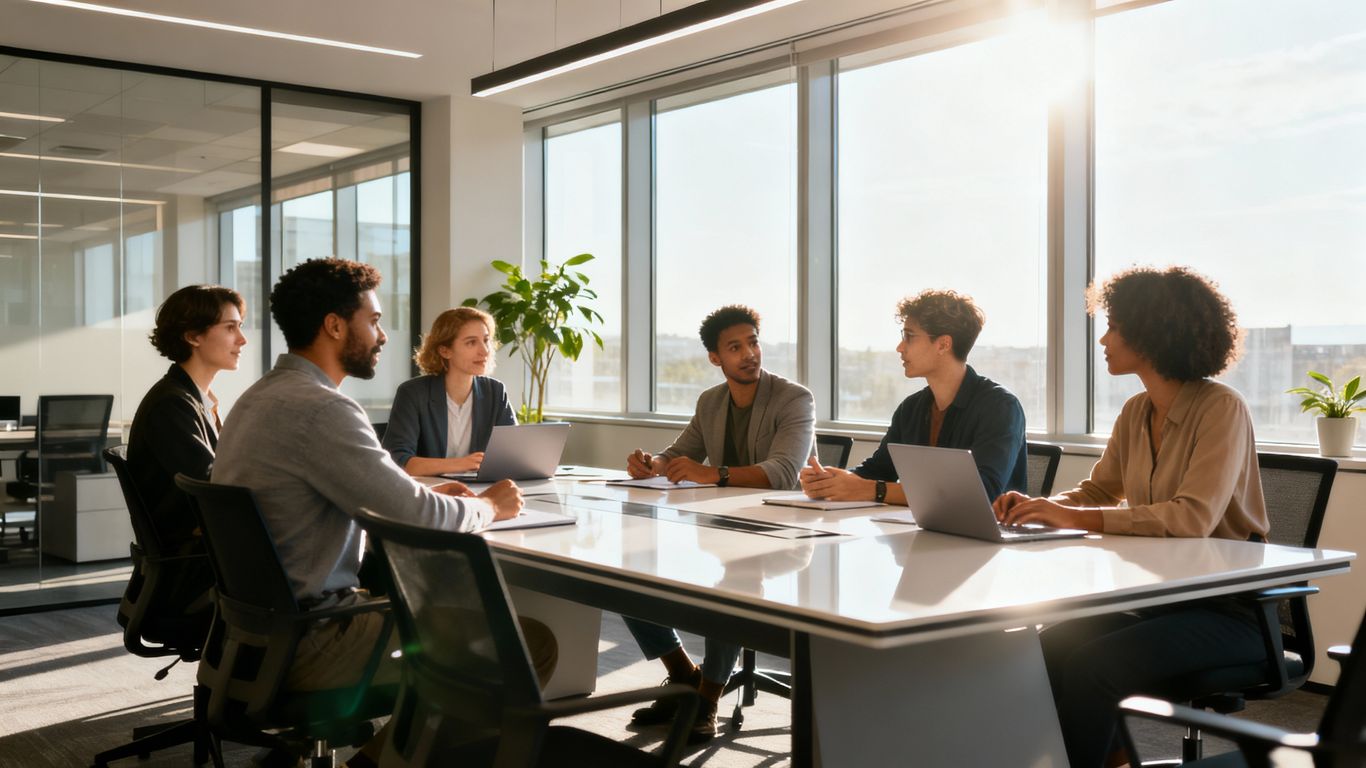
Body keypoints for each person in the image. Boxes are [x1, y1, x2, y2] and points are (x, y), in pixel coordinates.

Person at [212, 258, 556, 768]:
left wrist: (440, 499)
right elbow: (413, 513)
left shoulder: (258, 398)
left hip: (249, 635)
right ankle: (379, 763)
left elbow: (385, 489)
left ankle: (379, 756)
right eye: (373, 320)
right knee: (529, 645)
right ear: (334, 325)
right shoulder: (322, 408)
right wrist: (487, 506)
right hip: (313, 638)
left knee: (438, 610)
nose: (383, 335)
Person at [991, 266, 1269, 768]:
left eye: (1113, 326)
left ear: (1151, 330)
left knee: (1097, 664)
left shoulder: (1221, 408)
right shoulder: (1137, 411)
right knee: (1048, 647)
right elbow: (1100, 490)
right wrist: (1037, 508)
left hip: (1230, 610)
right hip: (1164, 599)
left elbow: (1191, 519)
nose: (1103, 337)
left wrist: (1069, 515)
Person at [623, 304, 815, 742]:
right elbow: (679, 451)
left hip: (784, 535)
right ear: (716, 358)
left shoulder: (793, 398)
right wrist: (652, 462)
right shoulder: (710, 401)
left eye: (753, 342)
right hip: (719, 526)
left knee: (735, 579)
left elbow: (785, 473)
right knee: (625, 567)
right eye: (735, 346)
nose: (750, 353)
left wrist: (713, 473)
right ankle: (684, 674)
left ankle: (708, 699)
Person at [800, 289, 1026, 505]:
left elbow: (980, 492)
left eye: (909, 337)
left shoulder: (1000, 407)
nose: (900, 347)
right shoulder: (911, 408)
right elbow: (879, 470)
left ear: (943, 344)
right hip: (924, 532)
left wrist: (873, 490)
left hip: (990, 540)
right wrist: (831, 482)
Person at [126, 284, 246, 616]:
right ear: (194, 335)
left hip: (203, 555)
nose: (242, 339)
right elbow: (213, 489)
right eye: (230, 327)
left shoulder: (193, 400)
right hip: (194, 567)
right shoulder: (171, 405)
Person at [383, 306, 515, 477]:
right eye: (471, 342)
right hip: (428, 493)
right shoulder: (413, 393)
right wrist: (460, 464)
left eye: (486, 340)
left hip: (480, 490)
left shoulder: (495, 391)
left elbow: (512, 456)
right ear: (445, 350)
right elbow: (396, 460)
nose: (484, 350)